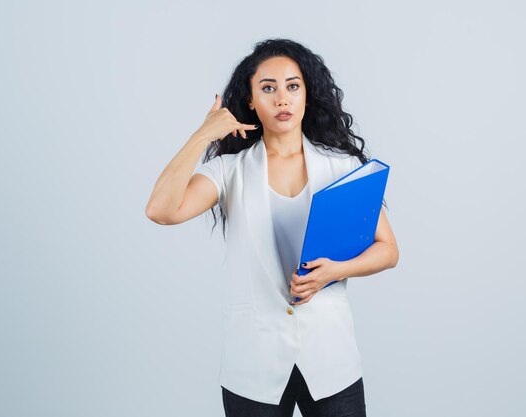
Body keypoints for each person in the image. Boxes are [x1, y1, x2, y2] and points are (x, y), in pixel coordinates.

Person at [145, 38, 399, 417]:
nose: (282, 98)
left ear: (306, 95)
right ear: (250, 101)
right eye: (268, 88)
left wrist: (335, 271)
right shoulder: (229, 172)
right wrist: (203, 135)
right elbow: (161, 210)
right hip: (253, 362)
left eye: (292, 86)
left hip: (330, 358)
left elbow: (388, 249)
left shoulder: (342, 168)